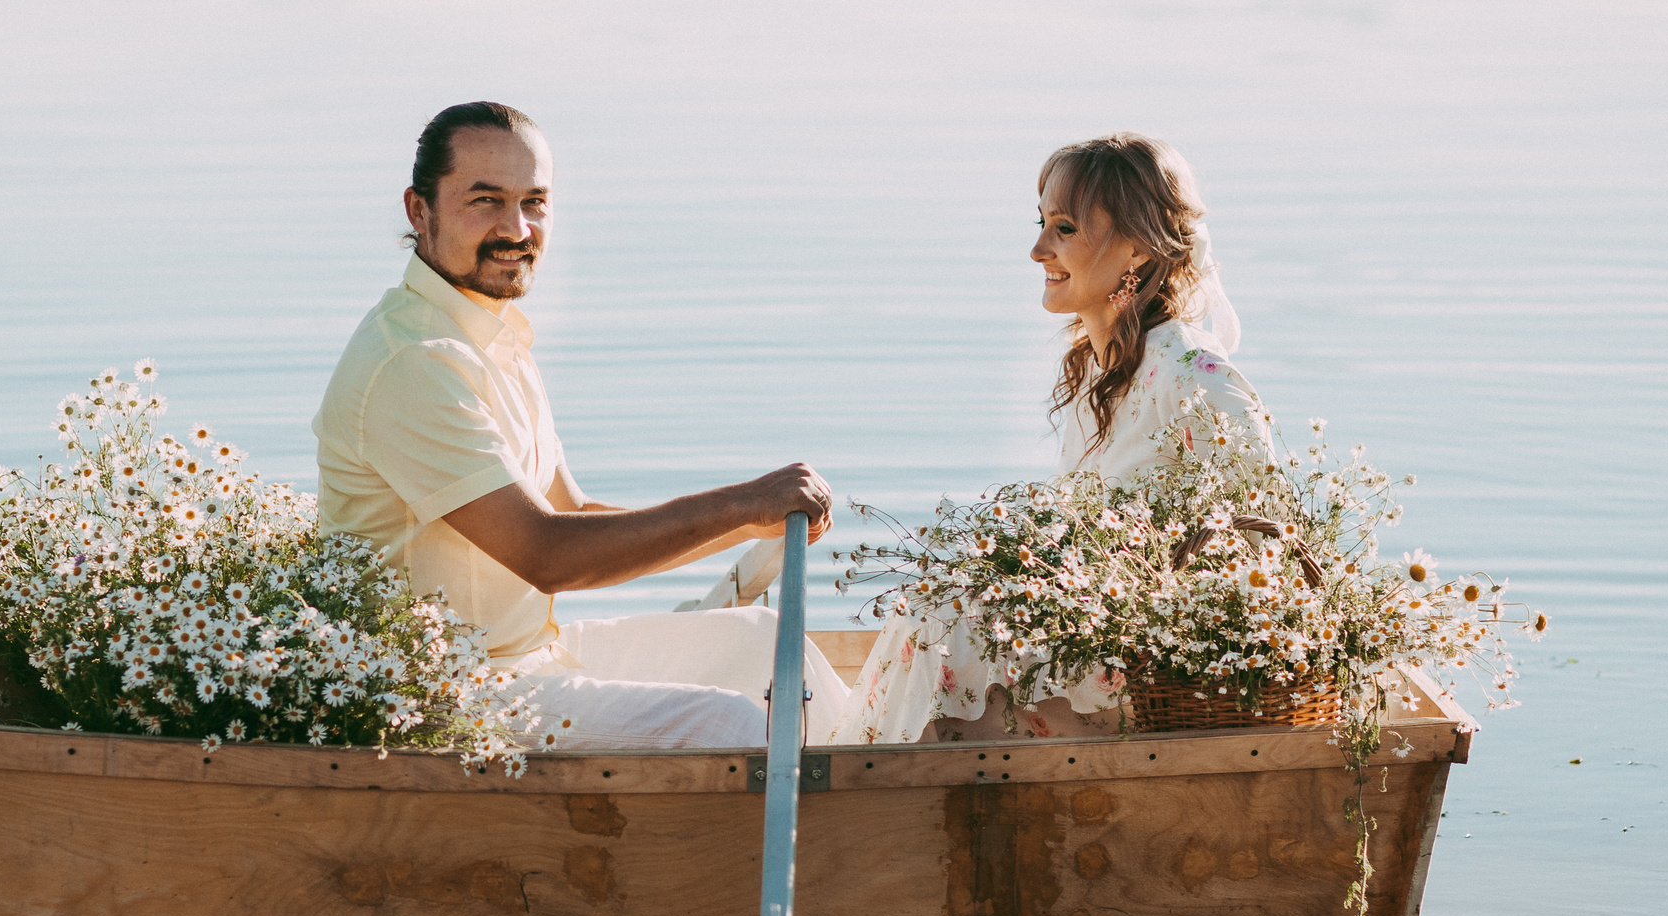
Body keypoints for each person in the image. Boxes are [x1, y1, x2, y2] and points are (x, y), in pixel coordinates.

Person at [312, 101, 847, 751]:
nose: (516, 227)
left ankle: (881, 809)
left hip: (536, 656)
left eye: (534, 201)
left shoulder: (493, 334)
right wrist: (739, 503)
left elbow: (575, 513)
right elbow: (548, 553)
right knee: (728, 725)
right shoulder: (414, 363)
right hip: (447, 696)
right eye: (485, 200)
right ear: (419, 210)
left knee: (759, 640)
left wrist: (749, 522)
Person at [825, 132, 1278, 745]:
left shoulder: (1196, 378)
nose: (1038, 249)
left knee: (949, 620)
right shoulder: (1098, 369)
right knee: (938, 602)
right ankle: (873, 774)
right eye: (1042, 223)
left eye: (1064, 228)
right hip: (1095, 635)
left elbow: (1262, 551)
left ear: (1138, 249)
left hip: (1158, 680)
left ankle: (877, 789)